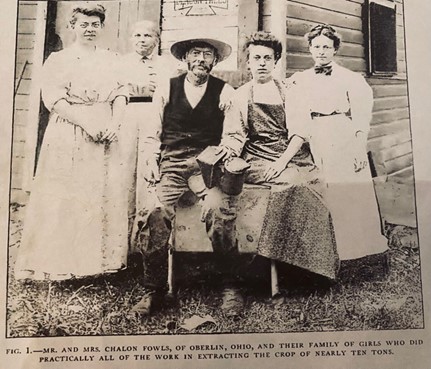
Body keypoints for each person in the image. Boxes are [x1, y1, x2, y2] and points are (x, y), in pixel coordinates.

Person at [14, 5, 129, 280]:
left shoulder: (112, 59)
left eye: (95, 24)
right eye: (84, 24)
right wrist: (87, 122)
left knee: (101, 193)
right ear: (73, 26)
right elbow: (54, 99)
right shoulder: (59, 59)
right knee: (67, 195)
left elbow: (121, 93)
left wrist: (114, 123)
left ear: (102, 28)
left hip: (105, 132)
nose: (90, 29)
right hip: (70, 131)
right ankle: (62, 266)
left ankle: (100, 265)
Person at [132, 37, 243, 316]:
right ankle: (153, 290)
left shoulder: (226, 91)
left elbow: (234, 135)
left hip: (207, 165)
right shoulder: (166, 88)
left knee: (219, 212)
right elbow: (151, 133)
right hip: (172, 163)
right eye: (195, 53)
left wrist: (222, 155)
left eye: (207, 55)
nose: (201, 59)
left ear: (215, 61)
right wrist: (149, 160)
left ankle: (231, 286)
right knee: (154, 213)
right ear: (185, 59)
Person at [220, 31, 339, 281]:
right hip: (256, 157)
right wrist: (229, 150)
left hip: (290, 156)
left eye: (267, 57)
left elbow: (299, 134)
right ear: (248, 62)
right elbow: (234, 135)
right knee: (286, 183)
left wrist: (281, 162)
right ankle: (267, 260)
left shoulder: (289, 91)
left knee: (307, 184)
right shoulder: (240, 96)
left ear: (275, 62)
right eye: (256, 58)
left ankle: (308, 267)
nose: (262, 63)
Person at [281, 24, 388, 261]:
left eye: (326, 47)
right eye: (316, 46)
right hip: (314, 136)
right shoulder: (300, 80)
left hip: (342, 135)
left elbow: (361, 117)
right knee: (323, 191)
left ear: (335, 49)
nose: (321, 51)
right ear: (309, 48)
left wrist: (359, 148)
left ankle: (357, 253)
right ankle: (327, 253)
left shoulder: (351, 79)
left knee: (347, 191)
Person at [119, 20, 167, 249]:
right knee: (126, 173)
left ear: (156, 40)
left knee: (147, 173)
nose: (141, 40)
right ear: (130, 39)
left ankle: (145, 244)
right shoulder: (121, 63)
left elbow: (170, 93)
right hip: (127, 118)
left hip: (154, 117)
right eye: (137, 35)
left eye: (147, 35)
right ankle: (124, 245)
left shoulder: (166, 64)